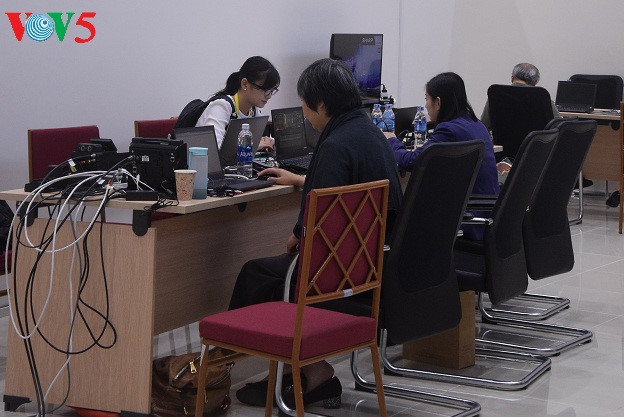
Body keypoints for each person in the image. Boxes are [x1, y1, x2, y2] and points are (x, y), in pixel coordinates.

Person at [228, 58, 403, 408]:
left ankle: (241, 369)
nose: (305, 115)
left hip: (338, 273)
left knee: (257, 273)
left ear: (321, 104)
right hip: (375, 264)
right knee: (274, 269)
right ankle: (307, 370)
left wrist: (298, 234)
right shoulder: (370, 133)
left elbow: (321, 216)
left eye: (305, 105)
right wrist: (300, 203)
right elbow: (343, 198)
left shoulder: (334, 145)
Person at [386, 72, 499, 240]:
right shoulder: (476, 125)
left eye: (426, 99)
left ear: (438, 102)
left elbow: (412, 162)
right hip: (485, 214)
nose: (426, 106)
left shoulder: (449, 130)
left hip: (466, 218)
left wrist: (392, 141)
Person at [196, 55, 280, 150]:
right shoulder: (221, 107)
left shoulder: (253, 111)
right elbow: (214, 149)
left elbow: (259, 140)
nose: (269, 96)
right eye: (265, 89)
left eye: (272, 91)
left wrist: (270, 142)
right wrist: (252, 146)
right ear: (245, 84)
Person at [480, 62, 560, 130]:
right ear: (535, 82)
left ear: (512, 78)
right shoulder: (542, 98)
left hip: (503, 143)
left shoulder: (496, 95)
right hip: (536, 143)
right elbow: (558, 126)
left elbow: (484, 126)